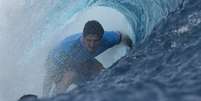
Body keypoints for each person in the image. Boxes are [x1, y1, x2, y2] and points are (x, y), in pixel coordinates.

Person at [43, 20, 133, 96]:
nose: (92, 45)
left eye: (95, 41)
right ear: (83, 36)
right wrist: (44, 95)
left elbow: (123, 37)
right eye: (88, 40)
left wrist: (133, 49)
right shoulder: (68, 48)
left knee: (101, 71)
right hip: (57, 62)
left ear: (101, 38)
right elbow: (49, 74)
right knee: (70, 75)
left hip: (83, 60)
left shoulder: (108, 38)